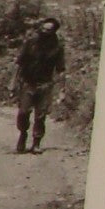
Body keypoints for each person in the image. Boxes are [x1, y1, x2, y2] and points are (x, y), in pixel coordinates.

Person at [12, 17, 66, 153]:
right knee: (23, 112)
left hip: (45, 84)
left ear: (54, 32)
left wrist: (62, 90)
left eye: (48, 30)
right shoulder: (30, 43)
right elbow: (19, 63)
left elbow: (61, 70)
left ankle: (36, 143)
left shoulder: (57, 48)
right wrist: (13, 82)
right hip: (28, 83)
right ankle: (23, 134)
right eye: (43, 28)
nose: (44, 32)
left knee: (40, 116)